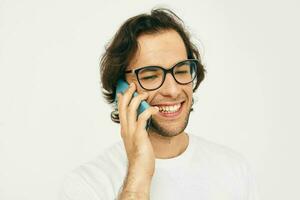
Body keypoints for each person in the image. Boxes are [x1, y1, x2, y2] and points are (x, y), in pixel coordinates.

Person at [60, 8, 259, 200]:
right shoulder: (86, 185)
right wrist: (138, 174)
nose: (172, 91)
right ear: (121, 89)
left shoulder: (234, 170)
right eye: (150, 76)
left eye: (181, 71)